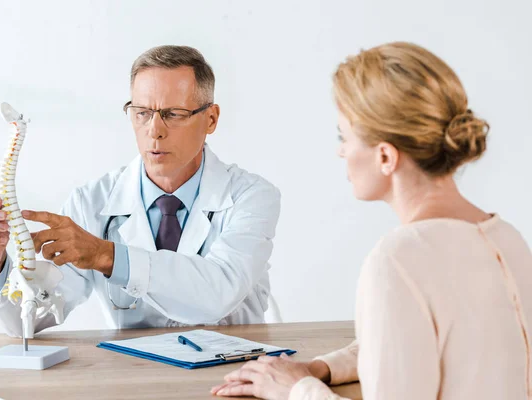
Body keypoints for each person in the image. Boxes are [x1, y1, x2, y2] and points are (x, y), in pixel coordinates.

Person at [212, 42, 532, 399]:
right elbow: (417, 341)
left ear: (384, 156)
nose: (341, 150)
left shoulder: (399, 259)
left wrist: (294, 390)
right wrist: (320, 369)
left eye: (343, 136)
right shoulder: (507, 238)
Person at [0, 45, 281, 336]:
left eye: (173, 114)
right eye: (142, 113)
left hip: (234, 379)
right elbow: (31, 318)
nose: (154, 131)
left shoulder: (251, 196)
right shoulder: (91, 202)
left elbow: (219, 292)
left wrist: (106, 255)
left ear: (210, 118)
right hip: (133, 380)